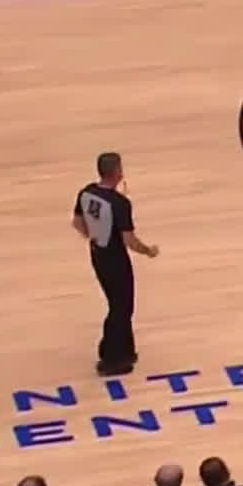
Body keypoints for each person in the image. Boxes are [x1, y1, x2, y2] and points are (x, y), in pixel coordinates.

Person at [72, 152, 158, 376]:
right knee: (121, 307)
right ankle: (111, 358)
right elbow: (129, 240)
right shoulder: (120, 203)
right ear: (116, 172)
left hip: (97, 254)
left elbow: (77, 222)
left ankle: (125, 351)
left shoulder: (86, 192)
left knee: (118, 304)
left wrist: (94, 236)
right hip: (115, 259)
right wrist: (148, 251)